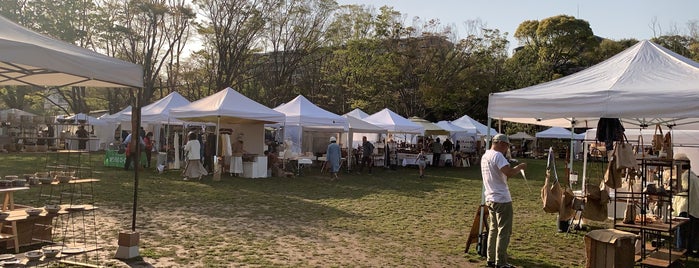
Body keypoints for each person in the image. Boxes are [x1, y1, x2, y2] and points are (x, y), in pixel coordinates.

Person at [481, 134, 527, 268]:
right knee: (504, 231)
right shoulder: (498, 156)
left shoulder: (485, 156)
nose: (507, 149)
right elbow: (509, 172)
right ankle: (501, 262)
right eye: (506, 146)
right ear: (500, 143)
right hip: (501, 199)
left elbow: (500, 175)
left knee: (494, 229)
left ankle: (491, 258)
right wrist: (520, 167)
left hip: (490, 197)